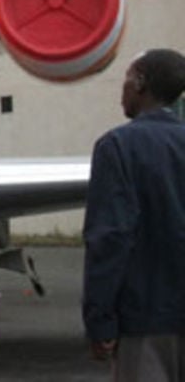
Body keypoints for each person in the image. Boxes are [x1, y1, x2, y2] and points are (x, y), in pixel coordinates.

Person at [82, 48, 185, 381]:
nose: (121, 89)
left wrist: (100, 320)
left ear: (140, 82)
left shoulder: (117, 147)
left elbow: (110, 238)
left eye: (126, 79)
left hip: (146, 321)